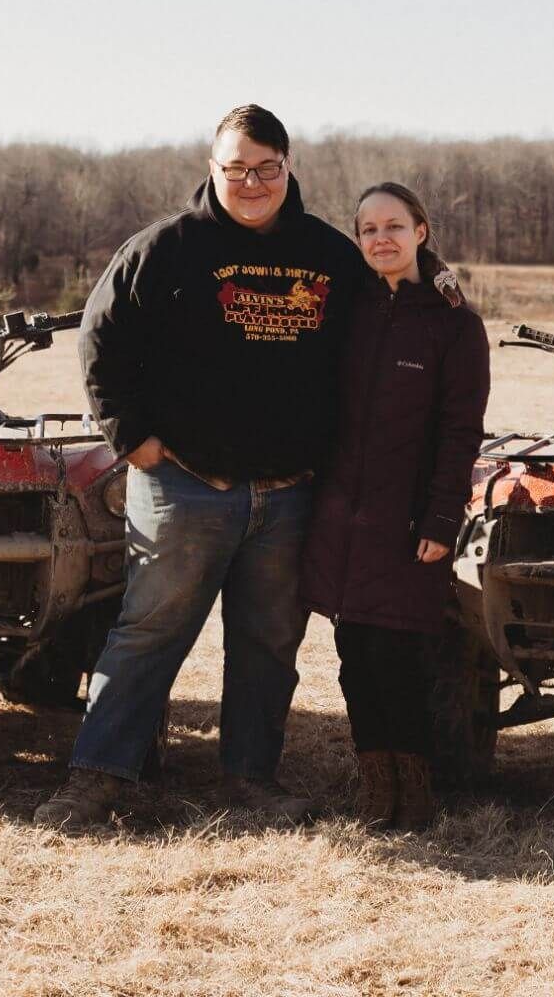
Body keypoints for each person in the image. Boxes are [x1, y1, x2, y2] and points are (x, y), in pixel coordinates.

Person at [33, 104, 366, 829]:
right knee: (149, 630)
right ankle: (97, 778)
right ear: (211, 169)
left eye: (266, 168)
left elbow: (376, 339)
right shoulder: (163, 249)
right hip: (185, 486)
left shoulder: (332, 257)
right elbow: (101, 342)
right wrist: (134, 440)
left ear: (288, 168)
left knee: (270, 642)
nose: (252, 182)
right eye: (236, 168)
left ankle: (251, 779)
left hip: (289, 493)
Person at [299, 182, 490, 830]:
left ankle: (416, 789)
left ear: (421, 232)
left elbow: (460, 433)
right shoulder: (343, 312)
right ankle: (376, 786)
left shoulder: (454, 324)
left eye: (393, 226)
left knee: (399, 656)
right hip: (340, 518)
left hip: (409, 522)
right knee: (354, 655)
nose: (380, 238)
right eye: (368, 229)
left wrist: (441, 519)